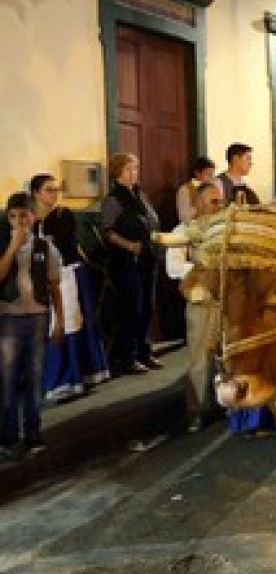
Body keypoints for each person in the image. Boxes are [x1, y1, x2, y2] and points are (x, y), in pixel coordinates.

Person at [30, 172, 109, 401]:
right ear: (36, 193)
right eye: (49, 189)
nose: (54, 194)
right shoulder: (31, 218)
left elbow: (64, 244)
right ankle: (56, 378)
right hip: (41, 280)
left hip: (67, 274)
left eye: (56, 189)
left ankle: (75, 376)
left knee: (71, 324)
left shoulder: (63, 214)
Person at [0, 192, 63, 456]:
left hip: (37, 316)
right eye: (12, 217)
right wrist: (13, 246)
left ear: (33, 217)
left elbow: (54, 286)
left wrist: (59, 319)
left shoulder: (45, 247)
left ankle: (33, 432)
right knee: (8, 378)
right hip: (9, 318)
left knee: (35, 377)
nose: (18, 221)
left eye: (23, 216)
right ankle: (8, 436)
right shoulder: (3, 245)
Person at [165, 181, 224, 432]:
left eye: (220, 201)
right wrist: (202, 268)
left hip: (225, 301)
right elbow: (172, 268)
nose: (218, 206)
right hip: (200, 301)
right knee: (199, 359)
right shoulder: (182, 230)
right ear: (198, 203)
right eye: (213, 201)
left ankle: (227, 406)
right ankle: (197, 410)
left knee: (225, 356)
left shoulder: (225, 228)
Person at [100, 153, 162, 376]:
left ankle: (144, 352)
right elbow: (107, 232)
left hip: (147, 259)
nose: (134, 173)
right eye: (129, 169)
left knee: (147, 308)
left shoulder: (140, 195)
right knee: (130, 310)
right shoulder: (113, 199)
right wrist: (129, 245)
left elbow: (151, 220)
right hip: (126, 263)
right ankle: (127, 357)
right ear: (118, 172)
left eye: (136, 168)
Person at [176, 156, 216, 224]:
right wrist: (200, 206)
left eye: (212, 175)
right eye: (208, 174)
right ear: (197, 173)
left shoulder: (213, 188)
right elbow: (183, 217)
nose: (211, 178)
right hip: (191, 228)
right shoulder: (184, 190)